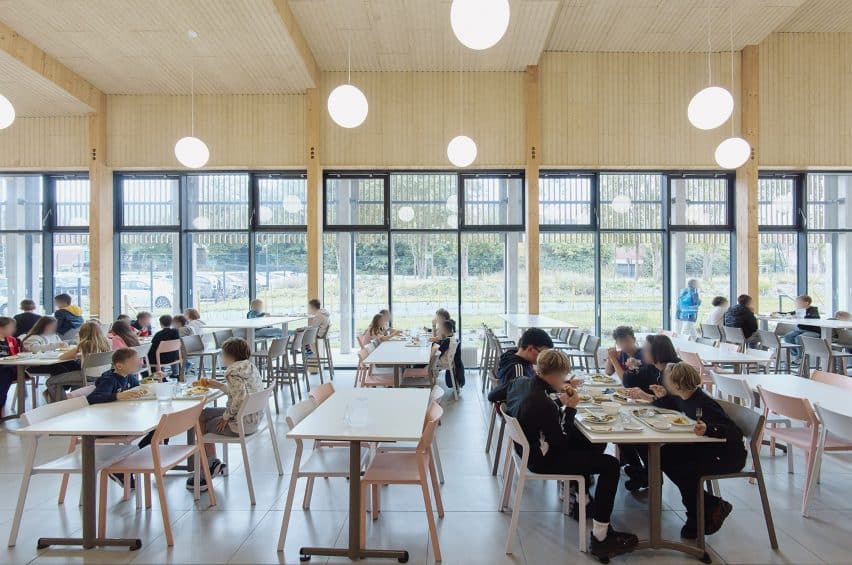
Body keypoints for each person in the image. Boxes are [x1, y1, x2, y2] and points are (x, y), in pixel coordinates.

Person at [497, 349, 638, 559]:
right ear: (555, 375)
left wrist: (561, 403)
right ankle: (601, 537)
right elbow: (561, 443)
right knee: (609, 465)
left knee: (594, 444)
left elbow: (539, 414)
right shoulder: (542, 402)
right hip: (542, 461)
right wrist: (570, 409)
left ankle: (580, 499)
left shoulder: (523, 382)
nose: (565, 379)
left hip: (527, 451)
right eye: (563, 375)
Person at [632, 363, 744, 539]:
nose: (663, 382)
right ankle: (706, 507)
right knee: (664, 455)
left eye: (666, 380)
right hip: (705, 449)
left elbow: (735, 432)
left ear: (676, 385)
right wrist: (657, 397)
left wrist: (709, 429)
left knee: (684, 469)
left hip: (726, 456)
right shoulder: (684, 395)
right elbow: (673, 404)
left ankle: (699, 514)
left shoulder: (703, 404)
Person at [189, 337, 262, 491]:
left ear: (229, 356)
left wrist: (226, 417)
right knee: (202, 414)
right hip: (253, 419)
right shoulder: (249, 366)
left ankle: (208, 466)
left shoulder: (232, 372)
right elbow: (241, 392)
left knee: (198, 421)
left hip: (241, 424)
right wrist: (219, 385)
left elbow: (239, 398)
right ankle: (212, 462)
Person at [46, 321, 111, 401]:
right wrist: (83, 356)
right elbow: (95, 355)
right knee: (75, 370)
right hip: (102, 375)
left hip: (87, 376)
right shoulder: (107, 343)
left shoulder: (84, 344)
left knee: (50, 381)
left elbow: (62, 357)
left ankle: (62, 402)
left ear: (83, 333)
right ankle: (73, 401)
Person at [490, 327, 554, 388]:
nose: (544, 357)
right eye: (542, 353)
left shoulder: (512, 355)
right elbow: (521, 397)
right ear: (530, 349)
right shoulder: (518, 370)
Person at [778, 295, 821, 359]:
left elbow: (814, 316)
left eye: (798, 302)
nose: (796, 304)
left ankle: (800, 358)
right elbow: (789, 313)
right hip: (801, 330)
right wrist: (778, 313)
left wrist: (800, 317)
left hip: (813, 331)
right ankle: (796, 355)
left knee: (799, 338)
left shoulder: (813, 310)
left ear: (806, 303)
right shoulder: (799, 310)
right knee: (788, 336)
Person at [0, 317, 21, 419]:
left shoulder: (12, 340)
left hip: (10, 368)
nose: (13, 330)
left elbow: (17, 354)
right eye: (10, 327)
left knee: (6, 372)